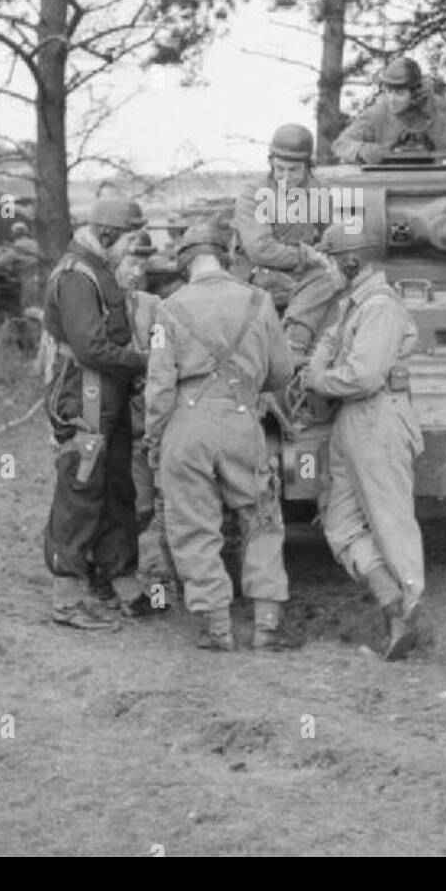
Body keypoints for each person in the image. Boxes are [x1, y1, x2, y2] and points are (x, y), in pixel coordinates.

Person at [144, 222, 296, 652]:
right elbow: (282, 371)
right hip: (243, 421)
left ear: (184, 261)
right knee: (262, 518)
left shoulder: (167, 309)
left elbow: (159, 387)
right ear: (226, 255)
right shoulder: (259, 300)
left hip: (185, 427)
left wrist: (155, 440)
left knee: (193, 525)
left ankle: (216, 626)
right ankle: (267, 622)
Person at [303, 222, 425, 660]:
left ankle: (407, 609)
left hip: (377, 417)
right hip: (353, 420)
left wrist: (319, 377)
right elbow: (329, 347)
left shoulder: (379, 307)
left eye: (331, 261)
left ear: (351, 261)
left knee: (390, 519)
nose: (329, 269)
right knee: (339, 520)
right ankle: (390, 598)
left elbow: (364, 375)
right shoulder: (354, 305)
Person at [41, 196, 155, 629]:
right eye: (130, 239)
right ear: (108, 235)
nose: (135, 251)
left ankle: (120, 580)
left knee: (117, 487)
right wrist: (144, 362)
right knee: (81, 490)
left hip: (108, 394)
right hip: (83, 395)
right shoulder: (76, 276)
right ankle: (68, 599)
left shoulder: (97, 268)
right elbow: (90, 347)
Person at [232, 123, 341, 362]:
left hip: (299, 274)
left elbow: (333, 235)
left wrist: (330, 250)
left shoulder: (319, 191)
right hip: (258, 273)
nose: (285, 177)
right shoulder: (254, 193)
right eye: (279, 169)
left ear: (307, 167)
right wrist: (306, 256)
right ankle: (293, 342)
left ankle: (296, 340)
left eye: (293, 170)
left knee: (333, 278)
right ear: (270, 162)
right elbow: (260, 249)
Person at [110, 239, 180, 606]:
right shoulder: (96, 305)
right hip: (103, 418)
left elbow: (164, 354)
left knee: (144, 507)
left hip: (141, 418)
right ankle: (105, 574)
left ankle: (144, 583)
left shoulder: (156, 307)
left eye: (141, 263)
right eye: (129, 262)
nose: (136, 271)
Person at [330, 56, 446, 163]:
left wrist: (433, 118)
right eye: (389, 91)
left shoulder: (436, 105)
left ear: (416, 93)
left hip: (430, 182)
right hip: (388, 184)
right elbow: (340, 145)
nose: (392, 99)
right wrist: (363, 149)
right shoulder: (378, 113)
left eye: (399, 93)